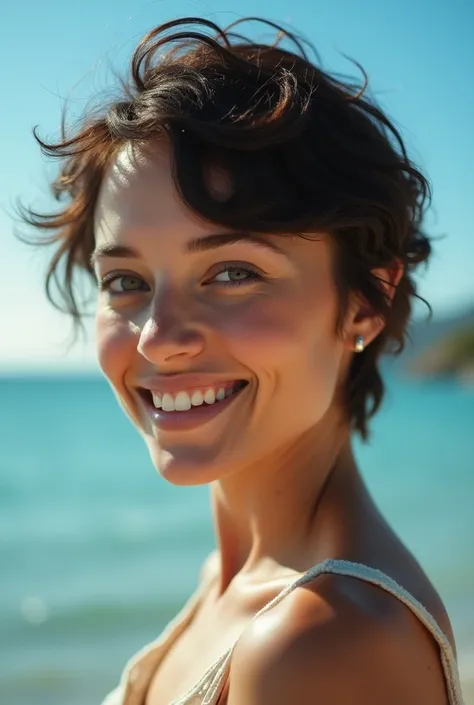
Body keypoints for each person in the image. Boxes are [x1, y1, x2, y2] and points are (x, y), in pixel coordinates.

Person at [22, 16, 465, 705]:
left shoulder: (320, 644)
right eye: (125, 281)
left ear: (365, 303)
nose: (158, 337)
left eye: (232, 272)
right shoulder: (236, 582)